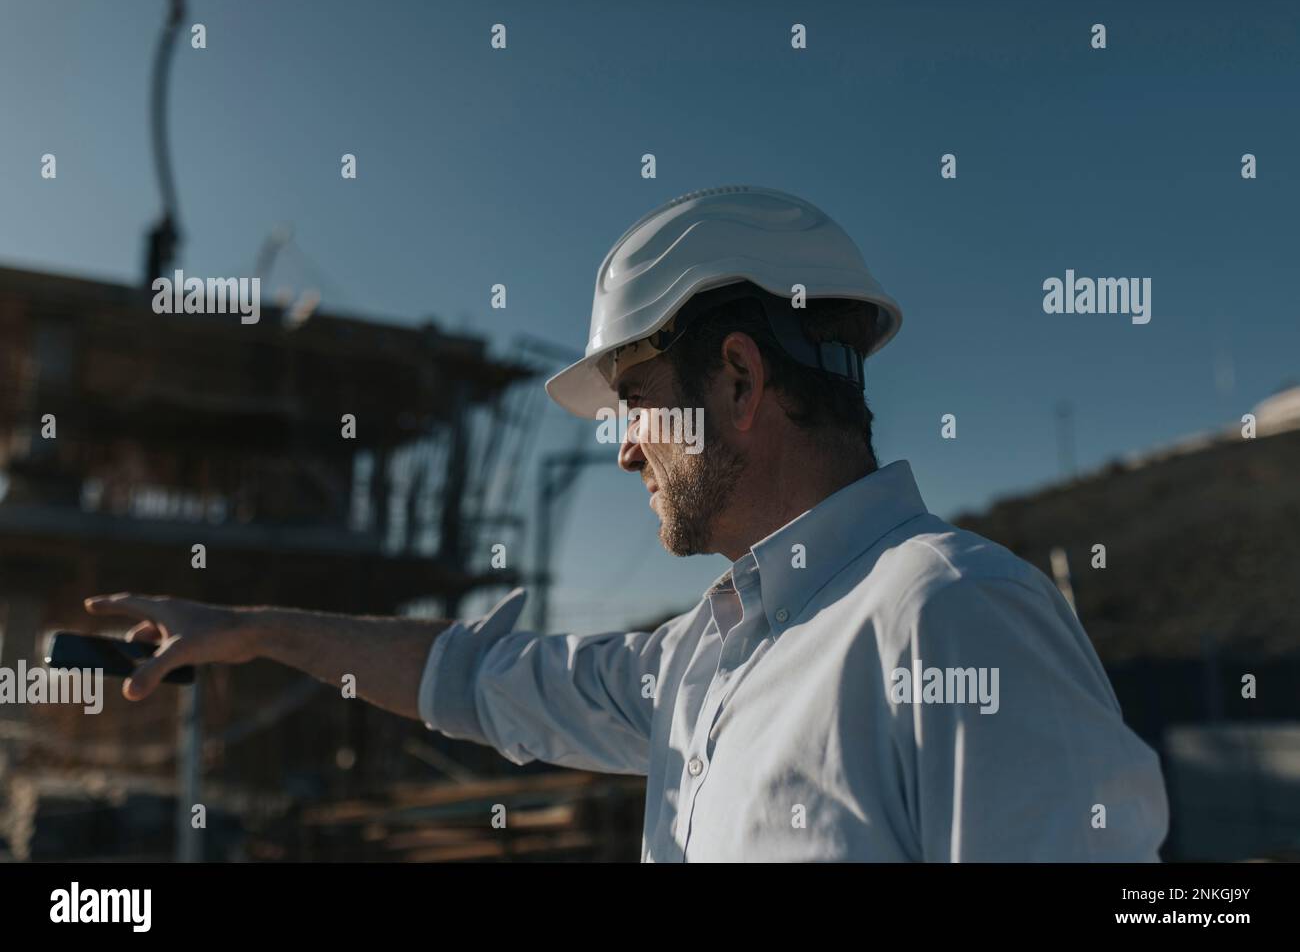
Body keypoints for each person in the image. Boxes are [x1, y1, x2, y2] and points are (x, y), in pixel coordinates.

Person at [86, 186, 1168, 861]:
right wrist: (251, 628)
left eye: (636, 404)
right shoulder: (705, 660)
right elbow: (470, 678)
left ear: (738, 379)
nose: (623, 448)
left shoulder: (953, 618)